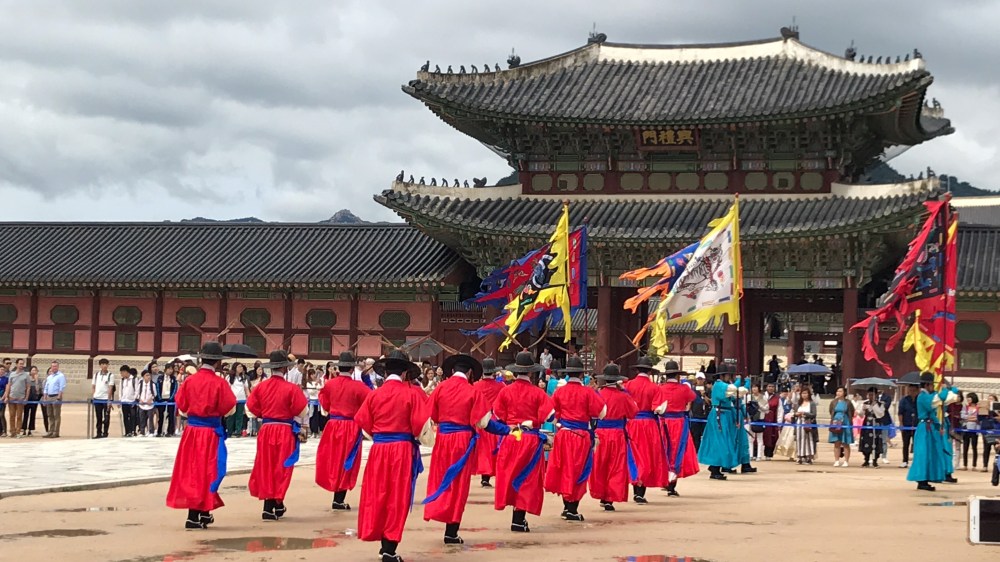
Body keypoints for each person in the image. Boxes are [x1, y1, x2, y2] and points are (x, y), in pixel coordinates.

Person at [423, 353, 506, 545]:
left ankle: (437, 511)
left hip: (443, 438)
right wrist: (505, 430)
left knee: (440, 478)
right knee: (459, 484)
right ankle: (451, 531)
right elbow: (484, 423)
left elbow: (430, 415)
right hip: (462, 441)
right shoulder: (472, 391)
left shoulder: (440, 388)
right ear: (469, 373)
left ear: (452, 371)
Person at [355, 350, 430, 562]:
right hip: (402, 449)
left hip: (379, 449)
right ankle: (389, 547)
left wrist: (380, 437)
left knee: (377, 493)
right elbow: (421, 428)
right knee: (397, 497)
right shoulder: (413, 393)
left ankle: (382, 542)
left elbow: (363, 424)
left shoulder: (374, 394)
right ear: (406, 373)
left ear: (385, 371)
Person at [166, 342, 238, 529]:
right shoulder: (219, 383)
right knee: (209, 472)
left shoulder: (189, 380)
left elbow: (181, 405)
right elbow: (229, 407)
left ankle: (201, 512)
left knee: (192, 471)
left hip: (191, 431)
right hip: (210, 433)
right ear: (217, 362)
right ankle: (196, 514)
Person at [493, 351, 554, 533]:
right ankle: (519, 518)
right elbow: (550, 416)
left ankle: (516, 516)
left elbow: (497, 415)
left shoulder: (505, 391)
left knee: (510, 474)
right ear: (531, 372)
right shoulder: (538, 393)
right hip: (529, 440)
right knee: (527, 478)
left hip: (511, 437)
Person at [247, 350, 309, 521]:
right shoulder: (291, 388)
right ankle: (277, 501)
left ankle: (269, 505)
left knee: (266, 465)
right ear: (285, 369)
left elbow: (251, 408)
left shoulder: (260, 387)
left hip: (266, 429)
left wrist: (265, 414)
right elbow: (303, 410)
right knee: (281, 467)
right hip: (284, 430)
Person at [545, 358, 606, 521]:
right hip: (580, 436)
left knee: (564, 468)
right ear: (581, 373)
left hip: (563, 434)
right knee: (579, 470)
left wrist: (561, 421)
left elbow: (551, 415)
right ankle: (572, 507)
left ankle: (567, 505)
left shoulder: (559, 392)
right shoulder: (588, 392)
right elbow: (601, 413)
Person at [315, 351, 371, 510]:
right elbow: (370, 403)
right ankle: (339, 497)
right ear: (352, 369)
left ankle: (335, 491)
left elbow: (325, 405)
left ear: (339, 368)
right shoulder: (359, 387)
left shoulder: (329, 385)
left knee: (333, 459)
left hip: (333, 425)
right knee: (348, 461)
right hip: (351, 427)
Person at [590, 362, 636, 511]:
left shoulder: (598, 394)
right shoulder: (623, 396)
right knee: (615, 466)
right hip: (617, 434)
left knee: (600, 465)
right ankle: (610, 498)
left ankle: (601, 494)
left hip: (600, 433)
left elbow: (591, 413)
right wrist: (625, 392)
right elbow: (633, 412)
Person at [624, 356, 668, 501]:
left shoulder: (628, 385)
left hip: (631, 423)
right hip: (649, 424)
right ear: (650, 371)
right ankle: (640, 492)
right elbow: (659, 409)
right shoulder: (655, 388)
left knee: (633, 455)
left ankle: (635, 485)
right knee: (647, 456)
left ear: (637, 369)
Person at [655, 360, 700, 495]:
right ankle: (672, 485)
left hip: (663, 422)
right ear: (678, 375)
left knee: (664, 452)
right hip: (679, 423)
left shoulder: (660, 388)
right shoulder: (684, 389)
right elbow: (693, 398)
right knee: (677, 452)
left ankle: (665, 479)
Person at [907, 374, 951, 491]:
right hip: (924, 429)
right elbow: (938, 400)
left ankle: (925, 479)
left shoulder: (926, 396)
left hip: (929, 427)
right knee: (923, 454)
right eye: (932, 384)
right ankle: (921, 479)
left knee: (930, 453)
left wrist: (938, 426)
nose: (933, 387)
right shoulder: (922, 396)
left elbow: (933, 413)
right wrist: (944, 389)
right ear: (927, 384)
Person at [699, 364, 738, 479]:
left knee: (721, 440)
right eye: (728, 375)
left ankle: (715, 466)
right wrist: (740, 382)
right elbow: (733, 390)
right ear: (723, 375)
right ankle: (715, 467)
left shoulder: (723, 385)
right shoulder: (720, 385)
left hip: (724, 413)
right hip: (719, 414)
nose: (729, 377)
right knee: (719, 441)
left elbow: (731, 396)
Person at [472, 358, 506, 488]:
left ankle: (484, 476)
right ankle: (494, 475)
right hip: (495, 420)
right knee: (495, 448)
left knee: (482, 449)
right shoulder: (501, 386)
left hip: (480, 420)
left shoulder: (475, 386)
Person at [732, 374, 757, 474]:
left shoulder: (736, 395)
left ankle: (745, 464)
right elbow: (742, 392)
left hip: (739, 418)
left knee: (743, 443)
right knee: (735, 442)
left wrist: (747, 382)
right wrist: (743, 381)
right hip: (734, 418)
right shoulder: (731, 392)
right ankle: (729, 465)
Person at [828, 386, 855, 467]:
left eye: (840, 391)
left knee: (845, 442)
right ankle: (836, 460)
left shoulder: (848, 402)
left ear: (844, 393)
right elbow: (831, 411)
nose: (838, 393)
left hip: (845, 421)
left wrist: (849, 422)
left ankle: (846, 461)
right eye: (837, 391)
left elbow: (851, 412)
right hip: (836, 421)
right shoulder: (833, 402)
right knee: (837, 442)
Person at [859, 387, 886, 468]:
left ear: (876, 395)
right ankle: (866, 459)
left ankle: (875, 460)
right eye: (869, 395)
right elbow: (861, 415)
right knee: (866, 441)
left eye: (872, 395)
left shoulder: (881, 404)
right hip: (867, 425)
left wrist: (874, 406)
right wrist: (862, 410)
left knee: (876, 441)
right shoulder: (865, 403)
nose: (871, 396)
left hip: (876, 425)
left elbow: (880, 414)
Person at [4, 361, 29, 438]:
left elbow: (28, 387)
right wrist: (6, 396)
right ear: (17, 364)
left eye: (22, 364)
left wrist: (26, 398)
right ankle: (12, 432)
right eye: (20, 364)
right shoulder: (12, 374)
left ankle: (18, 431)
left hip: (20, 397)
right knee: (12, 415)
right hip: (12, 397)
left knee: (19, 416)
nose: (21, 365)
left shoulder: (26, 375)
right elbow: (9, 385)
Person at [92, 358, 115, 438]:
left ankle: (105, 433)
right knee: (98, 417)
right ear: (100, 365)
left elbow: (110, 388)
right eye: (103, 364)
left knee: (106, 417)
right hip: (97, 398)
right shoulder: (96, 375)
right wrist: (94, 396)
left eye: (106, 364)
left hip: (105, 399)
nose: (105, 366)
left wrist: (109, 400)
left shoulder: (110, 375)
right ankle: (98, 433)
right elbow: (93, 386)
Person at [42, 362, 66, 438]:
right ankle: (50, 431)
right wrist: (45, 397)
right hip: (49, 396)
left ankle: (56, 432)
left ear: (58, 367)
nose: (54, 368)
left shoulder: (61, 376)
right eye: (52, 366)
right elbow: (46, 387)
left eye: (55, 366)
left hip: (56, 396)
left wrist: (59, 396)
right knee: (50, 415)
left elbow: (61, 387)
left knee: (56, 415)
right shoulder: (49, 377)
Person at [794, 387, 817, 464]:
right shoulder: (799, 403)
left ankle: (808, 457)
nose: (804, 395)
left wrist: (804, 413)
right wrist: (796, 414)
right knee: (799, 439)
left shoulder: (812, 403)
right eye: (803, 393)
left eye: (806, 393)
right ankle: (799, 456)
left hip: (808, 423)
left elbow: (814, 414)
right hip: (799, 423)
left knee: (808, 440)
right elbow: (795, 413)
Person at [226, 364, 249, 438]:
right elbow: (227, 388)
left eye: (242, 367)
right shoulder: (229, 377)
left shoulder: (243, 377)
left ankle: (238, 431)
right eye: (239, 367)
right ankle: (230, 431)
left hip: (241, 399)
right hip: (232, 399)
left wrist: (249, 397)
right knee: (231, 416)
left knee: (240, 416)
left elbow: (246, 389)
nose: (241, 368)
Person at [898, 384, 918, 469]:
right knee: (905, 444)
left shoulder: (919, 399)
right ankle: (905, 461)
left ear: (917, 391)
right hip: (906, 425)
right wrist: (901, 424)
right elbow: (900, 413)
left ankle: (916, 461)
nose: (912, 392)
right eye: (910, 390)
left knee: (917, 444)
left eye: (914, 390)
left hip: (917, 425)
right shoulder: (904, 400)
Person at [22, 366, 44, 436]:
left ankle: (30, 430)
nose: (34, 372)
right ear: (30, 371)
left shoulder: (39, 380)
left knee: (33, 414)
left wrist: (37, 381)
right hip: (27, 398)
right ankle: (24, 429)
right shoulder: (27, 379)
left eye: (35, 370)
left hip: (35, 399)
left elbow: (38, 391)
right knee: (26, 414)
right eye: (33, 370)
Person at [961, 392, 981, 471]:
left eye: (969, 398)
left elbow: (978, 417)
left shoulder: (978, 407)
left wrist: (970, 418)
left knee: (974, 447)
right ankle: (965, 465)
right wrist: (971, 418)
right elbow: (963, 416)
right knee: (965, 447)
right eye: (967, 398)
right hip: (966, 428)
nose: (968, 400)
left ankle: (974, 465)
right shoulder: (965, 407)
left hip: (975, 429)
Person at [689, 374, 709, 451]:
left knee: (705, 436)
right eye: (698, 379)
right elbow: (690, 402)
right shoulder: (692, 390)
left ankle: (704, 451)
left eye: (701, 379)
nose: (700, 381)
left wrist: (703, 394)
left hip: (705, 416)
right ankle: (696, 451)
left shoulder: (707, 390)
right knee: (695, 436)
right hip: (695, 417)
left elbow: (710, 402)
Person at [762, 383, 780, 460]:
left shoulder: (777, 398)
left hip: (772, 419)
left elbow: (780, 410)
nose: (771, 388)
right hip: (762, 418)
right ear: (766, 387)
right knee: (760, 436)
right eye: (769, 386)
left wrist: (779, 421)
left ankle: (769, 454)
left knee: (771, 436)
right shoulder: (762, 396)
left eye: (772, 386)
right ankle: (757, 454)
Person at [137, 370, 156, 437]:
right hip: (142, 404)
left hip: (150, 404)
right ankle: (142, 432)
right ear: (143, 377)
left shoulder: (152, 384)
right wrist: (140, 399)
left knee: (150, 418)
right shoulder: (140, 384)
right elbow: (138, 393)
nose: (148, 377)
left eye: (149, 375)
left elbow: (154, 394)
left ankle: (151, 431)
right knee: (142, 418)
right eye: (147, 375)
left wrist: (150, 399)